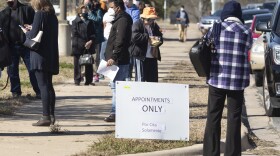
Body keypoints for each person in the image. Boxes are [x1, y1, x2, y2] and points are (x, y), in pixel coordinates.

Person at [202, 1, 253, 156]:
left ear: (224, 14)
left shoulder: (216, 28)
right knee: (234, 119)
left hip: (217, 79)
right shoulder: (246, 31)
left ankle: (211, 152)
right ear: (239, 15)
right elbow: (248, 48)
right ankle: (232, 153)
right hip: (237, 82)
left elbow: (206, 46)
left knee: (213, 116)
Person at [21, 0, 59, 126]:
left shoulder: (39, 14)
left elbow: (33, 34)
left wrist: (26, 31)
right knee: (49, 85)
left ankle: (45, 116)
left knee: (42, 86)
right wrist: (33, 28)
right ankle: (51, 115)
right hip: (50, 54)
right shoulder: (52, 16)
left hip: (39, 55)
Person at [0, 0, 40, 98]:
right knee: (12, 71)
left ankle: (39, 91)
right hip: (11, 47)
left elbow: (36, 24)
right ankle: (16, 93)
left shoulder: (27, 9)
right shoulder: (3, 13)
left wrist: (31, 28)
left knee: (32, 69)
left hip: (26, 45)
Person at [104, 0, 133, 122]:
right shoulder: (119, 19)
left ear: (118, 8)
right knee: (114, 86)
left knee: (118, 87)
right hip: (115, 58)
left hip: (119, 59)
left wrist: (114, 56)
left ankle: (115, 112)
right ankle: (116, 112)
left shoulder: (122, 20)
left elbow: (120, 40)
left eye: (112, 8)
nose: (110, 10)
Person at [130, 7, 163, 82]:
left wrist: (156, 41)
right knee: (140, 79)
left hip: (152, 56)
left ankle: (151, 94)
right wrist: (147, 37)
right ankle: (139, 94)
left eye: (153, 19)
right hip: (141, 56)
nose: (152, 21)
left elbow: (160, 38)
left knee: (153, 80)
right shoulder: (137, 24)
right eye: (151, 19)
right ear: (145, 18)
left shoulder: (154, 26)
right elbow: (134, 37)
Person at [71, 5, 96, 86]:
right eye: (82, 11)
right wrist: (84, 44)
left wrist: (90, 41)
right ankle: (77, 80)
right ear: (79, 12)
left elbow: (93, 34)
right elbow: (75, 35)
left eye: (85, 10)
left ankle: (88, 80)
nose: (84, 12)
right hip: (78, 45)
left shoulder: (90, 22)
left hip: (89, 45)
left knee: (88, 63)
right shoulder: (75, 22)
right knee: (77, 64)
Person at [83, 0, 104, 82]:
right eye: (85, 3)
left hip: (97, 38)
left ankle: (97, 74)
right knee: (87, 57)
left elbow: (98, 20)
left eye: (88, 3)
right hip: (88, 37)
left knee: (96, 57)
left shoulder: (98, 11)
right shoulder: (85, 10)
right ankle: (87, 74)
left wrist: (90, 12)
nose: (87, 5)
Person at [123, 0, 140, 80]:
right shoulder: (122, 8)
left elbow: (134, 23)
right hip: (122, 35)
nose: (125, 1)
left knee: (130, 59)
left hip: (131, 37)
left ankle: (128, 77)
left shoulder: (136, 10)